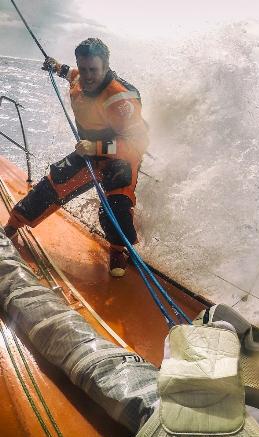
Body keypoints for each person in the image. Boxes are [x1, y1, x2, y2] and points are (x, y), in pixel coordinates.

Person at [2, 38, 149, 277]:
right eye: (84, 68)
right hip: (88, 150)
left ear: (106, 66)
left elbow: (137, 144)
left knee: (114, 208)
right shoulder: (79, 77)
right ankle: (13, 225)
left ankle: (118, 249)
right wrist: (56, 66)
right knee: (52, 184)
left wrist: (97, 146)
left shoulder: (121, 99)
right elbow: (69, 73)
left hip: (119, 155)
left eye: (94, 70)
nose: (88, 76)